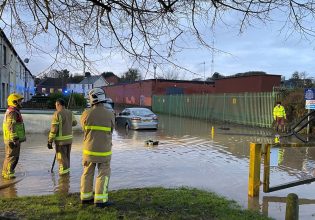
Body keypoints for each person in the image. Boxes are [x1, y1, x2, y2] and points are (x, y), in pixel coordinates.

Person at [80, 88, 115, 208]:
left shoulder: (86, 113)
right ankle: (100, 200)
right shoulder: (110, 114)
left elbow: (83, 129)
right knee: (103, 174)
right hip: (104, 151)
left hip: (88, 151)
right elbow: (111, 130)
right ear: (102, 99)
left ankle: (85, 198)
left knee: (87, 173)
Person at [47, 98, 77, 175]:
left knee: (61, 159)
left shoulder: (57, 114)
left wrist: (50, 141)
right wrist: (67, 120)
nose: (55, 107)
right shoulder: (70, 112)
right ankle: (67, 175)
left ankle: (63, 179)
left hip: (60, 142)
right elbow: (74, 123)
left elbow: (54, 130)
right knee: (67, 158)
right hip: (69, 140)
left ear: (58, 104)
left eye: (56, 105)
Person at [2, 93, 26, 180]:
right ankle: (8, 173)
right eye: (19, 101)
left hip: (11, 138)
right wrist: (14, 139)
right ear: (14, 102)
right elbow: (11, 125)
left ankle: (5, 172)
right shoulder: (12, 112)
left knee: (10, 156)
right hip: (12, 139)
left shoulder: (12, 111)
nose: (21, 102)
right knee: (13, 156)